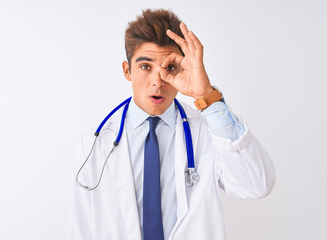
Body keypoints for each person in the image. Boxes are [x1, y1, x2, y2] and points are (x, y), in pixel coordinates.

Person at [69, 8, 275, 240]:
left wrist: (206, 95)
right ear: (128, 71)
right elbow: (82, 228)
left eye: (170, 68)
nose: (158, 82)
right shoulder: (95, 143)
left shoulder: (210, 130)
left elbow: (257, 185)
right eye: (145, 66)